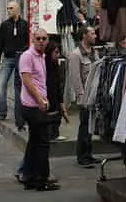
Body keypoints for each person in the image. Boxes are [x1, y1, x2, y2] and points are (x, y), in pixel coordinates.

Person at [18, 30, 58, 191]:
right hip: (33, 106)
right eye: (38, 39)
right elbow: (26, 80)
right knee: (42, 143)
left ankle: (29, 177)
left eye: (44, 39)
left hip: (39, 105)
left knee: (34, 141)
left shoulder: (41, 56)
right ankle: (41, 179)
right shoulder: (28, 56)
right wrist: (40, 100)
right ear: (33, 40)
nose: (41, 41)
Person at [67, 25, 99, 167]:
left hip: (94, 94)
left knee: (90, 125)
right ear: (84, 36)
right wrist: (81, 97)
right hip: (85, 96)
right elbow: (75, 78)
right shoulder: (75, 55)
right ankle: (82, 156)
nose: (95, 36)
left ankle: (88, 153)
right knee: (85, 125)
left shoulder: (95, 52)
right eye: (92, 33)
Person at [0, 2, 29, 129]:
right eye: (8, 8)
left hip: (21, 58)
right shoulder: (4, 25)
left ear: (17, 10)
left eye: (11, 8)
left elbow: (27, 41)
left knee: (19, 89)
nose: (9, 10)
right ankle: (2, 112)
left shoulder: (24, 25)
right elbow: (0, 42)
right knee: (0, 85)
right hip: (8, 58)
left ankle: (20, 117)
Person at [46, 42, 68, 141]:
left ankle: (54, 133)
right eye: (56, 53)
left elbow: (58, 86)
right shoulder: (45, 66)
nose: (58, 55)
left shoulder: (56, 67)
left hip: (55, 95)